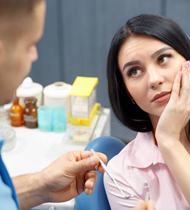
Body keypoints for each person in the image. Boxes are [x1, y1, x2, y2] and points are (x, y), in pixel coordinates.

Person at [0, 1, 152, 210]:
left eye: (163, 58)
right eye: (29, 44)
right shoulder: (125, 174)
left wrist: (40, 186)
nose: (35, 56)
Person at [104, 13, 190, 210]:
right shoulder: (121, 174)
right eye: (134, 71)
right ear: (128, 93)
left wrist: (168, 139)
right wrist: (167, 138)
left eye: (163, 58)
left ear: (189, 60)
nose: (154, 79)